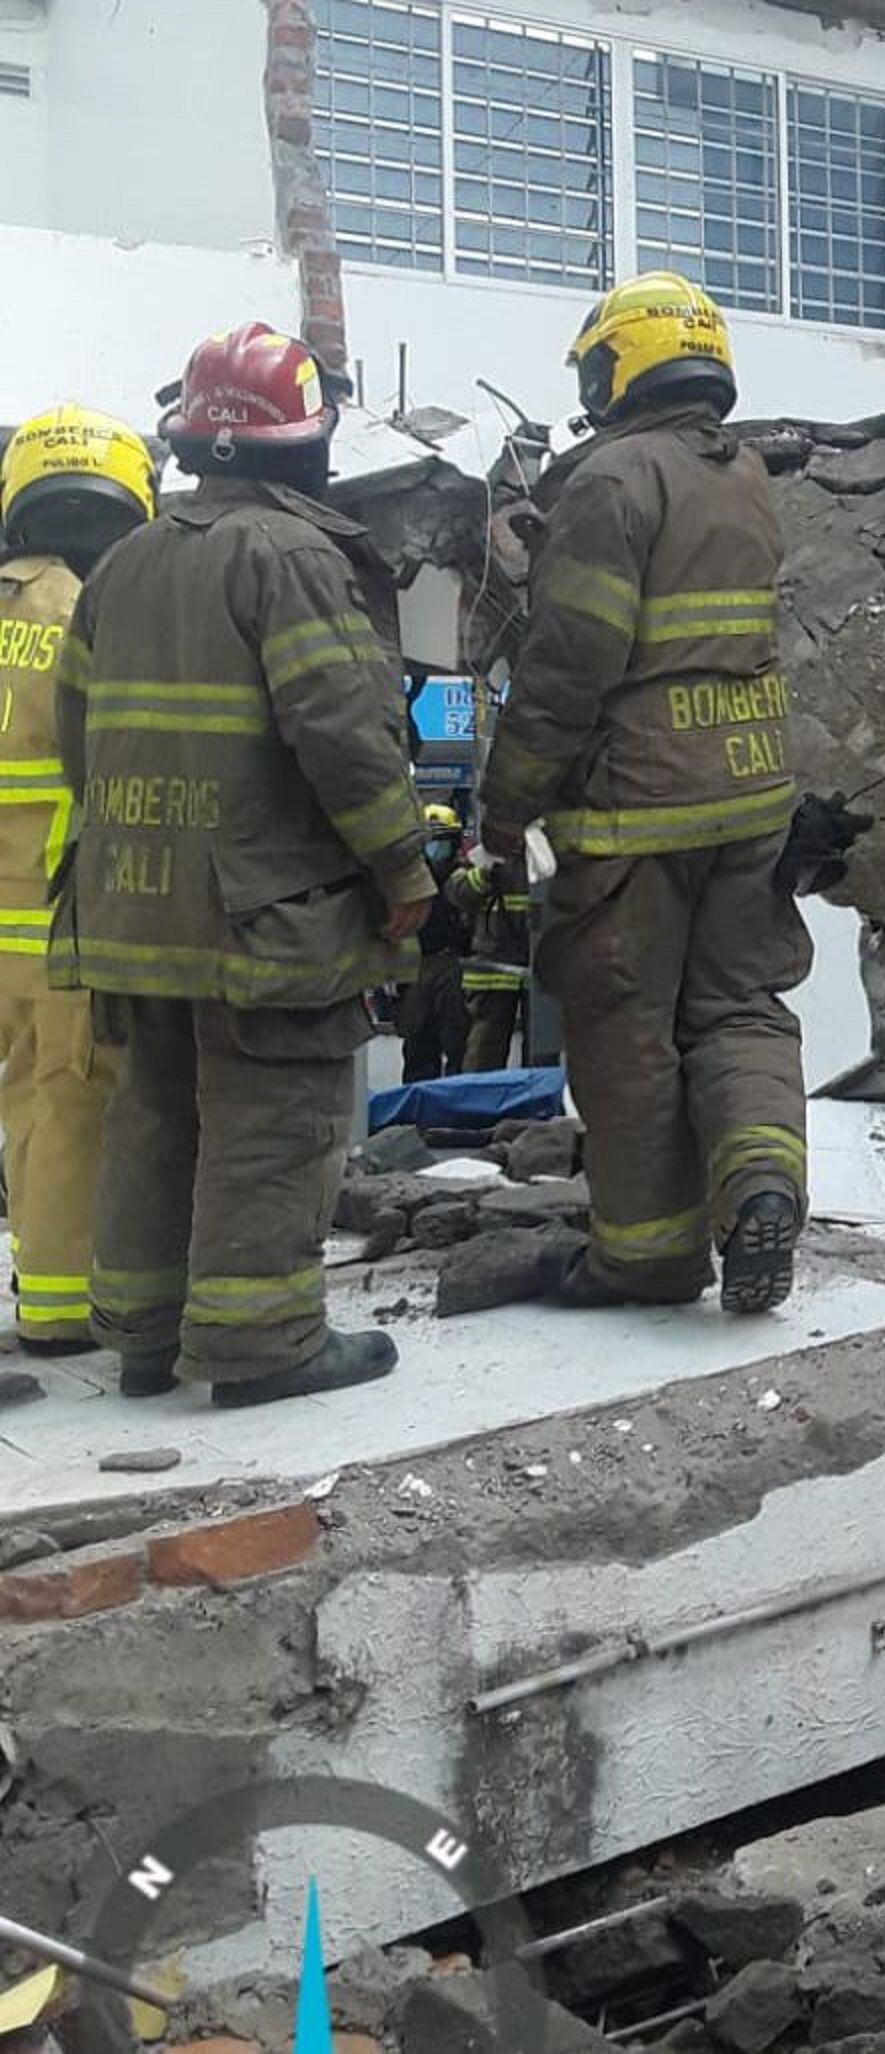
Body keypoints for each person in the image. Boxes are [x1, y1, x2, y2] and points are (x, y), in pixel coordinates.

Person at [53, 322, 433, 1406]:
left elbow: (77, 734)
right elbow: (346, 734)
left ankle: (143, 1336)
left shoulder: (124, 562)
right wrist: (402, 868)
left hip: (133, 905)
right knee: (272, 1117)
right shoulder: (294, 557)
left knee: (156, 1112)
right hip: (263, 912)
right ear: (303, 444)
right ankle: (262, 1343)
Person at [480, 272, 807, 1315]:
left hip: (637, 811)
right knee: (739, 1008)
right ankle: (761, 1183)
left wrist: (507, 802)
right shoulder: (744, 476)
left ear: (617, 368)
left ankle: (648, 1255)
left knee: (625, 1022)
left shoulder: (613, 480)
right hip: (751, 797)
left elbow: (568, 662)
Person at [0, 407, 153, 1355]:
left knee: (26, 1098)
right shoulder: (88, 618)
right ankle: (58, 1308)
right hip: (56, 922)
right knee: (67, 1101)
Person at [395, 800, 471, 1080]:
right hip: (417, 968)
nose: (436, 851)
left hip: (455, 966)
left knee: (458, 1041)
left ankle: (456, 1098)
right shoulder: (408, 882)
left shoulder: (464, 881)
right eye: (430, 844)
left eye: (442, 844)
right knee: (418, 1042)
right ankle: (417, 1096)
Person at [449, 824, 532, 1072]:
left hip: (539, 969)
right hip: (492, 970)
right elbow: (455, 892)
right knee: (484, 1052)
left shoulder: (547, 856)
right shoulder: (487, 853)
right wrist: (485, 874)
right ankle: (477, 1097)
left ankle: (539, 1096)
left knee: (541, 1053)